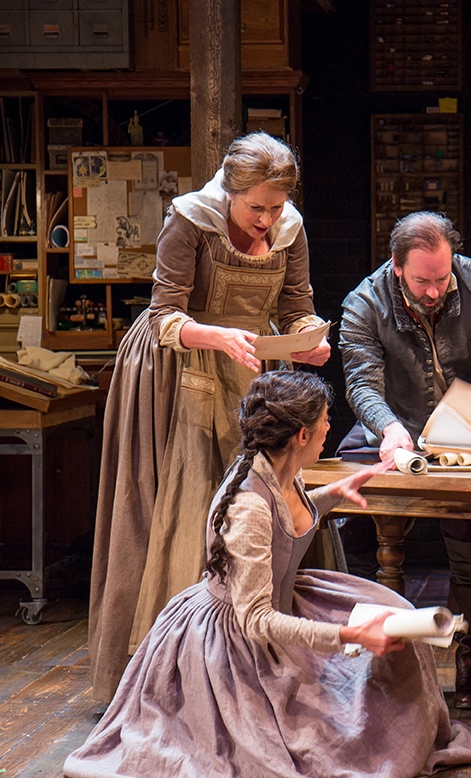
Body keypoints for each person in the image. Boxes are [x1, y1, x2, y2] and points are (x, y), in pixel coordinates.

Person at [64, 371, 471, 778]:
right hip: (238, 640)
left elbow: (288, 519)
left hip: (281, 599)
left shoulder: (277, 467)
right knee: (317, 739)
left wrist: (336, 490)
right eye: (325, 422)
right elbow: (255, 619)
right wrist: (348, 636)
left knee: (392, 611)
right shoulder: (249, 505)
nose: (330, 427)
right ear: (300, 435)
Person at [88, 132, 331, 702]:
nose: (267, 219)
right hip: (183, 368)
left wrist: (306, 339)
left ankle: (266, 662)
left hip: (251, 369)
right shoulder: (191, 220)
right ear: (230, 191)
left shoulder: (288, 229)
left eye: (276, 208)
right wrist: (217, 335)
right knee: (193, 505)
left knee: (269, 495)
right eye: (257, 208)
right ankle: (178, 675)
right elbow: (163, 315)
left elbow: (296, 306)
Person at [338, 211, 471, 711]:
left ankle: (470, 658)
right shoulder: (364, 302)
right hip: (396, 424)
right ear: (397, 268)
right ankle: (371, 650)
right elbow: (361, 382)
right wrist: (391, 430)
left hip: (467, 426)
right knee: (351, 511)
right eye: (423, 281)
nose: (436, 290)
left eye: (443, 277)